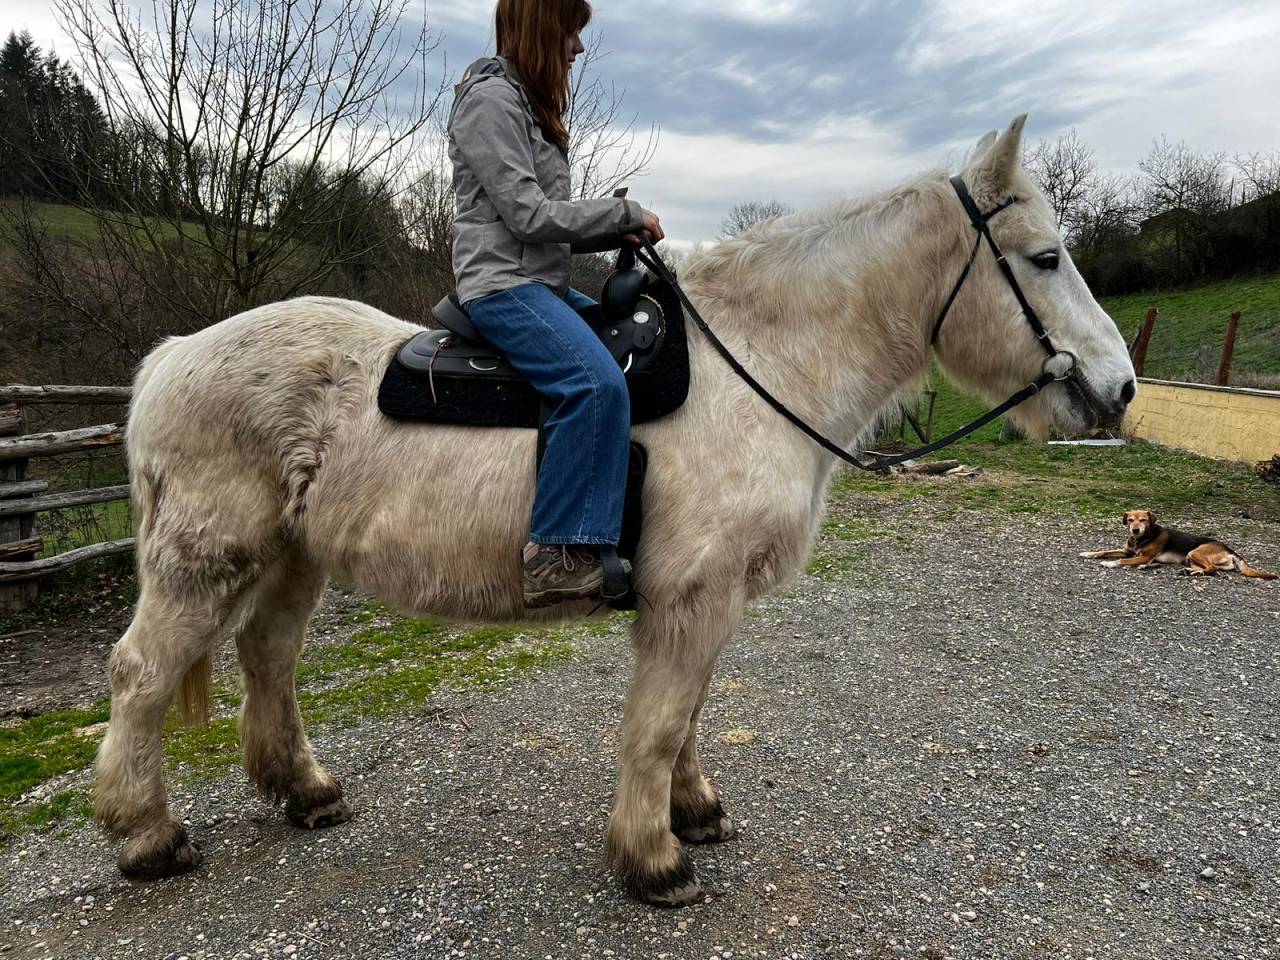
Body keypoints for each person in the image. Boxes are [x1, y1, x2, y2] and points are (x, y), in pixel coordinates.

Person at [449, 0, 664, 608]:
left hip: (539, 281)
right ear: (545, 29)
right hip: (502, 286)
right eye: (570, 32)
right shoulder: (490, 102)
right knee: (594, 385)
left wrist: (610, 234)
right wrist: (620, 212)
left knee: (632, 354)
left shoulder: (526, 106)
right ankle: (555, 552)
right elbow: (526, 214)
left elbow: (548, 222)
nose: (578, 48)